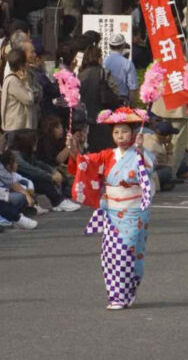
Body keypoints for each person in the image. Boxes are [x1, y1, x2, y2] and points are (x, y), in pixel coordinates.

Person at [67, 107, 155, 309]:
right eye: (116, 132)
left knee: (128, 252)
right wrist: (73, 149)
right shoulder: (108, 155)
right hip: (112, 211)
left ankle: (127, 291)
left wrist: (140, 150)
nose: (120, 135)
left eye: (124, 131)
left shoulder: (140, 154)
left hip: (134, 211)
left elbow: (147, 172)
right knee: (110, 254)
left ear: (134, 133)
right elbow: (85, 163)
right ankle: (117, 296)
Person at [1, 48, 40, 131]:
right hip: (16, 128)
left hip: (20, 128)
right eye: (25, 63)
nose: (27, 65)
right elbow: (29, 99)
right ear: (20, 65)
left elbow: (39, 91)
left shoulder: (19, 78)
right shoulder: (13, 80)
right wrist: (26, 83)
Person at [103, 34, 138, 103]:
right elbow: (133, 88)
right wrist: (131, 105)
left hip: (105, 99)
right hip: (122, 100)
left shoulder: (104, 61)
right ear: (123, 46)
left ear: (109, 46)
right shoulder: (128, 63)